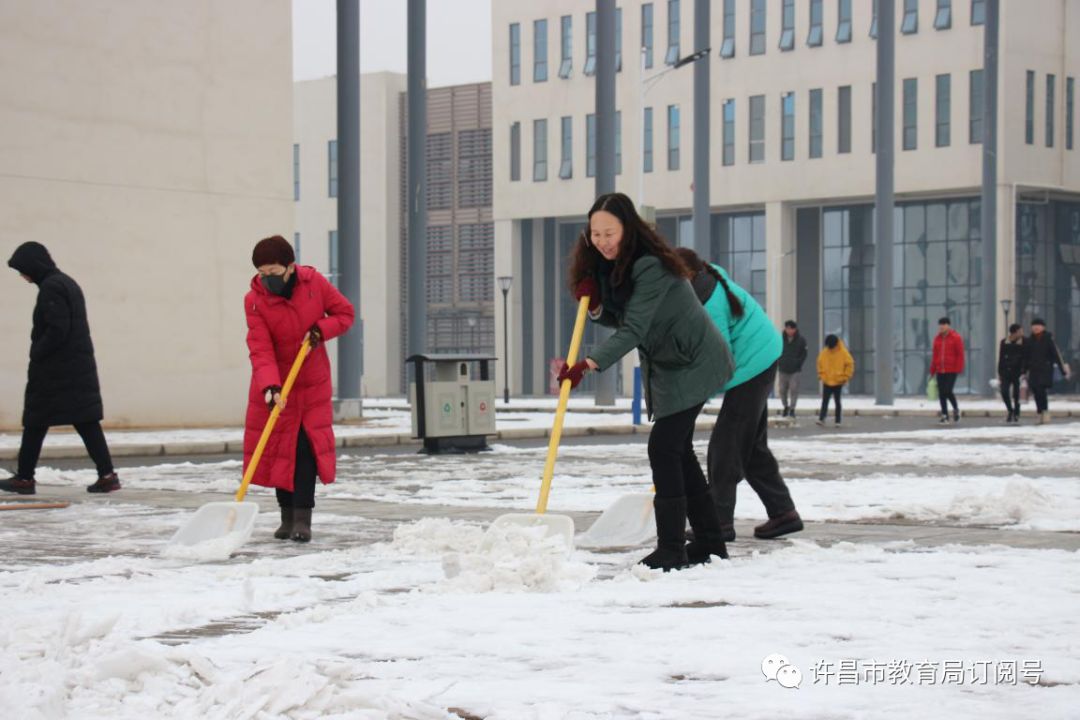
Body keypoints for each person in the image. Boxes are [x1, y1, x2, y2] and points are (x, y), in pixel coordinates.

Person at [558, 193, 734, 571]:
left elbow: (635, 329)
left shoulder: (649, 266)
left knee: (664, 448)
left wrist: (587, 363)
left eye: (610, 232)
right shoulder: (615, 266)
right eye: (596, 234)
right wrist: (597, 305)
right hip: (671, 365)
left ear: (628, 229)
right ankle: (710, 542)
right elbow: (622, 319)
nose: (603, 241)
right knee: (679, 453)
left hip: (695, 361)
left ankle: (672, 547)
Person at [676, 248, 803, 545]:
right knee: (751, 448)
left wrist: (692, 394)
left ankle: (719, 522)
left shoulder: (709, 304)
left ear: (688, 276)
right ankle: (784, 513)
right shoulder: (707, 283)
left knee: (725, 446)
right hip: (761, 358)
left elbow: (717, 357)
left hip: (752, 366)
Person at [245, 235, 354, 542]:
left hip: (312, 383)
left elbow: (345, 314)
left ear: (290, 267)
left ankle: (303, 519)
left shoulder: (315, 284)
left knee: (304, 450)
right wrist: (270, 387)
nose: (268, 281)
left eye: (274, 274)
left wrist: (321, 329)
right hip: (278, 383)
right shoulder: (254, 301)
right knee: (281, 447)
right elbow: (260, 347)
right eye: (262, 275)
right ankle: (286, 516)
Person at [2, 242, 120, 496]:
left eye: (23, 270)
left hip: (56, 372)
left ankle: (24, 479)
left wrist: (37, 352)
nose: (23, 276)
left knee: (35, 422)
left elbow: (58, 329)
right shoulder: (66, 282)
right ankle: (107, 475)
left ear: (34, 265)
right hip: (75, 369)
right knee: (86, 421)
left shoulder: (51, 288)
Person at [1024, 318, 1071, 424]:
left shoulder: (1048, 339)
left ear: (1043, 327)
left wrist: (1062, 370)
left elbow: (1056, 355)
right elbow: (1026, 356)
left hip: (1045, 370)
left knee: (1041, 390)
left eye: (1038, 325)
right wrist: (1024, 369)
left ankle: (1044, 412)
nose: (1036, 327)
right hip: (1033, 370)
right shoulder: (1029, 340)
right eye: (1034, 325)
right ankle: (1040, 412)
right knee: (1036, 391)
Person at [930, 317, 965, 424]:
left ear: (948, 325)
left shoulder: (956, 337)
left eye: (944, 324)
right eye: (940, 324)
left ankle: (956, 410)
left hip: (952, 369)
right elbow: (935, 355)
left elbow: (960, 354)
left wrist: (959, 368)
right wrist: (933, 369)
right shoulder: (937, 338)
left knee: (948, 390)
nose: (941, 326)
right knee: (941, 393)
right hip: (940, 369)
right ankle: (944, 415)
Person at [816, 334, 854, 427]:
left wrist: (845, 377)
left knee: (837, 401)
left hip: (838, 381)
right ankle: (822, 418)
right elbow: (819, 363)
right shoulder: (824, 352)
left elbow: (850, 364)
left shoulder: (843, 353)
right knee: (825, 401)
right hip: (827, 380)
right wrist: (822, 375)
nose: (829, 348)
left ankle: (838, 420)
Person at [777, 320, 808, 419]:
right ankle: (785, 406)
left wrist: (798, 363)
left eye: (791, 328)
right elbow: (776, 350)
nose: (788, 330)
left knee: (794, 389)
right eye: (787, 328)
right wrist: (779, 361)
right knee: (782, 390)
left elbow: (804, 354)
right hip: (782, 369)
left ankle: (792, 409)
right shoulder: (780, 339)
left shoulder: (801, 340)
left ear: (795, 329)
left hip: (795, 370)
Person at [998, 323, 1026, 423]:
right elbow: (1001, 357)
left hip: (1018, 372)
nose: (1022, 333)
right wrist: (1000, 372)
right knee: (1004, 391)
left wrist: (1024, 370)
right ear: (1015, 332)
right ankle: (1010, 410)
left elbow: (1025, 357)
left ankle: (1017, 413)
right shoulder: (1004, 342)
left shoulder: (1024, 342)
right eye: (1020, 331)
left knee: (1017, 394)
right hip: (1006, 371)